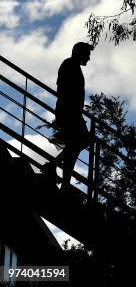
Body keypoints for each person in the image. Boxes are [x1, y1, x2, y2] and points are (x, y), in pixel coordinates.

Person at [48, 42, 93, 191]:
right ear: (79, 52)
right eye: (87, 54)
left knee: (74, 148)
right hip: (68, 112)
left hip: (72, 113)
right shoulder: (69, 65)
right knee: (81, 141)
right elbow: (63, 89)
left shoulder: (73, 66)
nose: (89, 58)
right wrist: (70, 110)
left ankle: (64, 181)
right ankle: (53, 166)